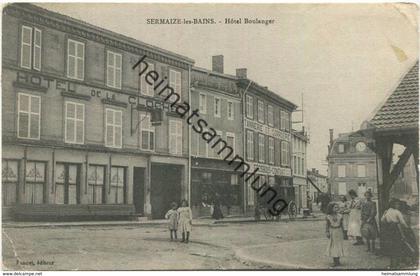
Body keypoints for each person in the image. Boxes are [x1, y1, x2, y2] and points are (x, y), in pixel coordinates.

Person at [380, 199, 411, 269]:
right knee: (398, 246)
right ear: (393, 205)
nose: (398, 205)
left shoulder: (387, 211)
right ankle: (397, 263)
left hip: (389, 230)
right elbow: (402, 222)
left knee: (392, 246)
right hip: (396, 229)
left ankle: (393, 263)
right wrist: (407, 227)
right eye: (397, 204)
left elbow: (382, 220)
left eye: (398, 204)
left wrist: (385, 215)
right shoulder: (397, 212)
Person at [325, 202, 345, 267]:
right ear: (331, 208)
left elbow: (342, 224)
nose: (337, 208)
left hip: (339, 231)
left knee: (338, 245)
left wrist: (344, 232)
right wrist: (327, 232)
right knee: (333, 246)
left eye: (337, 207)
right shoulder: (328, 216)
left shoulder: (340, 216)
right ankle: (334, 261)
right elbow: (327, 225)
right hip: (332, 232)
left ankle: (338, 261)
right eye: (335, 207)